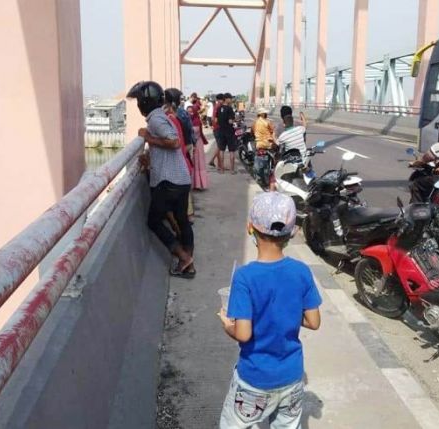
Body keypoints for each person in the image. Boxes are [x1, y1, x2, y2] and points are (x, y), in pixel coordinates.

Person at [218, 191, 322, 429]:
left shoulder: (245, 277)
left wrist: (227, 325)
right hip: (292, 378)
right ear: (292, 232)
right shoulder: (301, 271)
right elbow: (314, 321)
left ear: (249, 228)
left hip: (255, 379)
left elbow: (243, 334)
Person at [126, 81, 195, 278]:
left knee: (153, 221)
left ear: (145, 102)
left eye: (139, 100)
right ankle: (188, 265)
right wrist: (150, 156)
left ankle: (183, 257)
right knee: (182, 220)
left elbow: (173, 142)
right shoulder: (161, 116)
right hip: (181, 178)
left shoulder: (156, 120)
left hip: (168, 181)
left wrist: (148, 138)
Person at [164, 88, 196, 222]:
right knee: (185, 180)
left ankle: (185, 216)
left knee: (181, 180)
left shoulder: (172, 116)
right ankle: (188, 214)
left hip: (182, 147)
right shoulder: (181, 113)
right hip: (187, 146)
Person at [253, 108, 276, 190]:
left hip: (260, 145)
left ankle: (261, 180)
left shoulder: (255, 122)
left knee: (258, 164)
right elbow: (273, 131)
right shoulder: (268, 122)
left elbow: (252, 132)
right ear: (264, 114)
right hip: (269, 145)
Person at [188, 104, 209, 190]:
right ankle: (195, 184)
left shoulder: (196, 121)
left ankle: (200, 184)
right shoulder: (188, 120)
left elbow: (196, 134)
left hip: (197, 144)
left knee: (198, 163)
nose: (190, 113)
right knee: (193, 163)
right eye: (188, 112)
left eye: (191, 111)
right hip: (192, 144)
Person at [217, 93, 238, 174]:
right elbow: (230, 121)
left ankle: (222, 170)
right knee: (231, 151)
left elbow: (216, 120)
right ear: (226, 99)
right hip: (229, 131)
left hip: (221, 131)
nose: (231, 100)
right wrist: (235, 119)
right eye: (230, 98)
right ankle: (232, 170)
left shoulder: (219, 108)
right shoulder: (229, 108)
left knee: (221, 150)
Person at [209, 93, 225, 170]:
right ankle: (212, 160)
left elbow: (213, 118)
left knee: (219, 146)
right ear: (220, 99)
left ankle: (219, 165)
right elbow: (214, 118)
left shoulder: (216, 106)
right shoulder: (219, 106)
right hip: (218, 128)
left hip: (216, 128)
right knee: (220, 146)